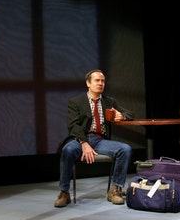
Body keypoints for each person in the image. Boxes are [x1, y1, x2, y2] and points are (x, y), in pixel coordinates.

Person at [55, 69, 134, 207]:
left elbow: (130, 113)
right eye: (97, 80)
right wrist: (84, 143)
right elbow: (73, 125)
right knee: (67, 150)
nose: (101, 83)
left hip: (100, 141)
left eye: (103, 81)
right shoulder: (76, 102)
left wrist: (122, 116)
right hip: (80, 140)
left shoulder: (109, 101)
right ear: (88, 83)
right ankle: (64, 192)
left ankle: (115, 189)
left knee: (125, 149)